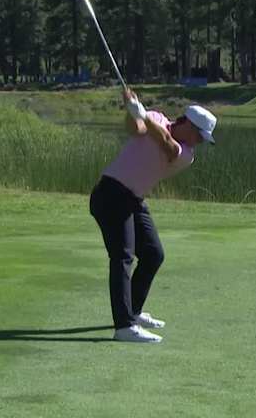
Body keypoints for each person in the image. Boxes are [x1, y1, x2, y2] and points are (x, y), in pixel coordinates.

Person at [89, 88, 217, 343]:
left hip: (133, 198)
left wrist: (143, 114)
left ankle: (133, 312)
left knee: (153, 254)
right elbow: (135, 129)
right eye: (200, 136)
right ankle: (124, 326)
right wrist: (132, 109)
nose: (200, 142)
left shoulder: (186, 154)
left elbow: (168, 146)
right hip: (110, 193)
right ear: (187, 125)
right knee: (123, 256)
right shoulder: (156, 118)